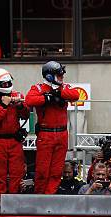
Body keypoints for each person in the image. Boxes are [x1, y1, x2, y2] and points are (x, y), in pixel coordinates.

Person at [26, 61, 80, 194]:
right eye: (59, 74)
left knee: (56, 171)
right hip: (46, 134)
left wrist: (59, 93)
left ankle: (50, 196)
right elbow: (29, 100)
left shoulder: (64, 87)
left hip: (62, 134)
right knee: (43, 171)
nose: (62, 77)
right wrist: (47, 98)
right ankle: (39, 197)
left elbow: (75, 95)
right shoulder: (38, 88)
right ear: (49, 76)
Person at [0, 68, 30, 196]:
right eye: (4, 84)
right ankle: (0, 201)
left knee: (17, 173)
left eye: (8, 83)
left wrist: (20, 106)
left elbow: (26, 115)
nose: (7, 86)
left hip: (15, 140)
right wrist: (3, 106)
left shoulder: (17, 96)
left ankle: (14, 200)